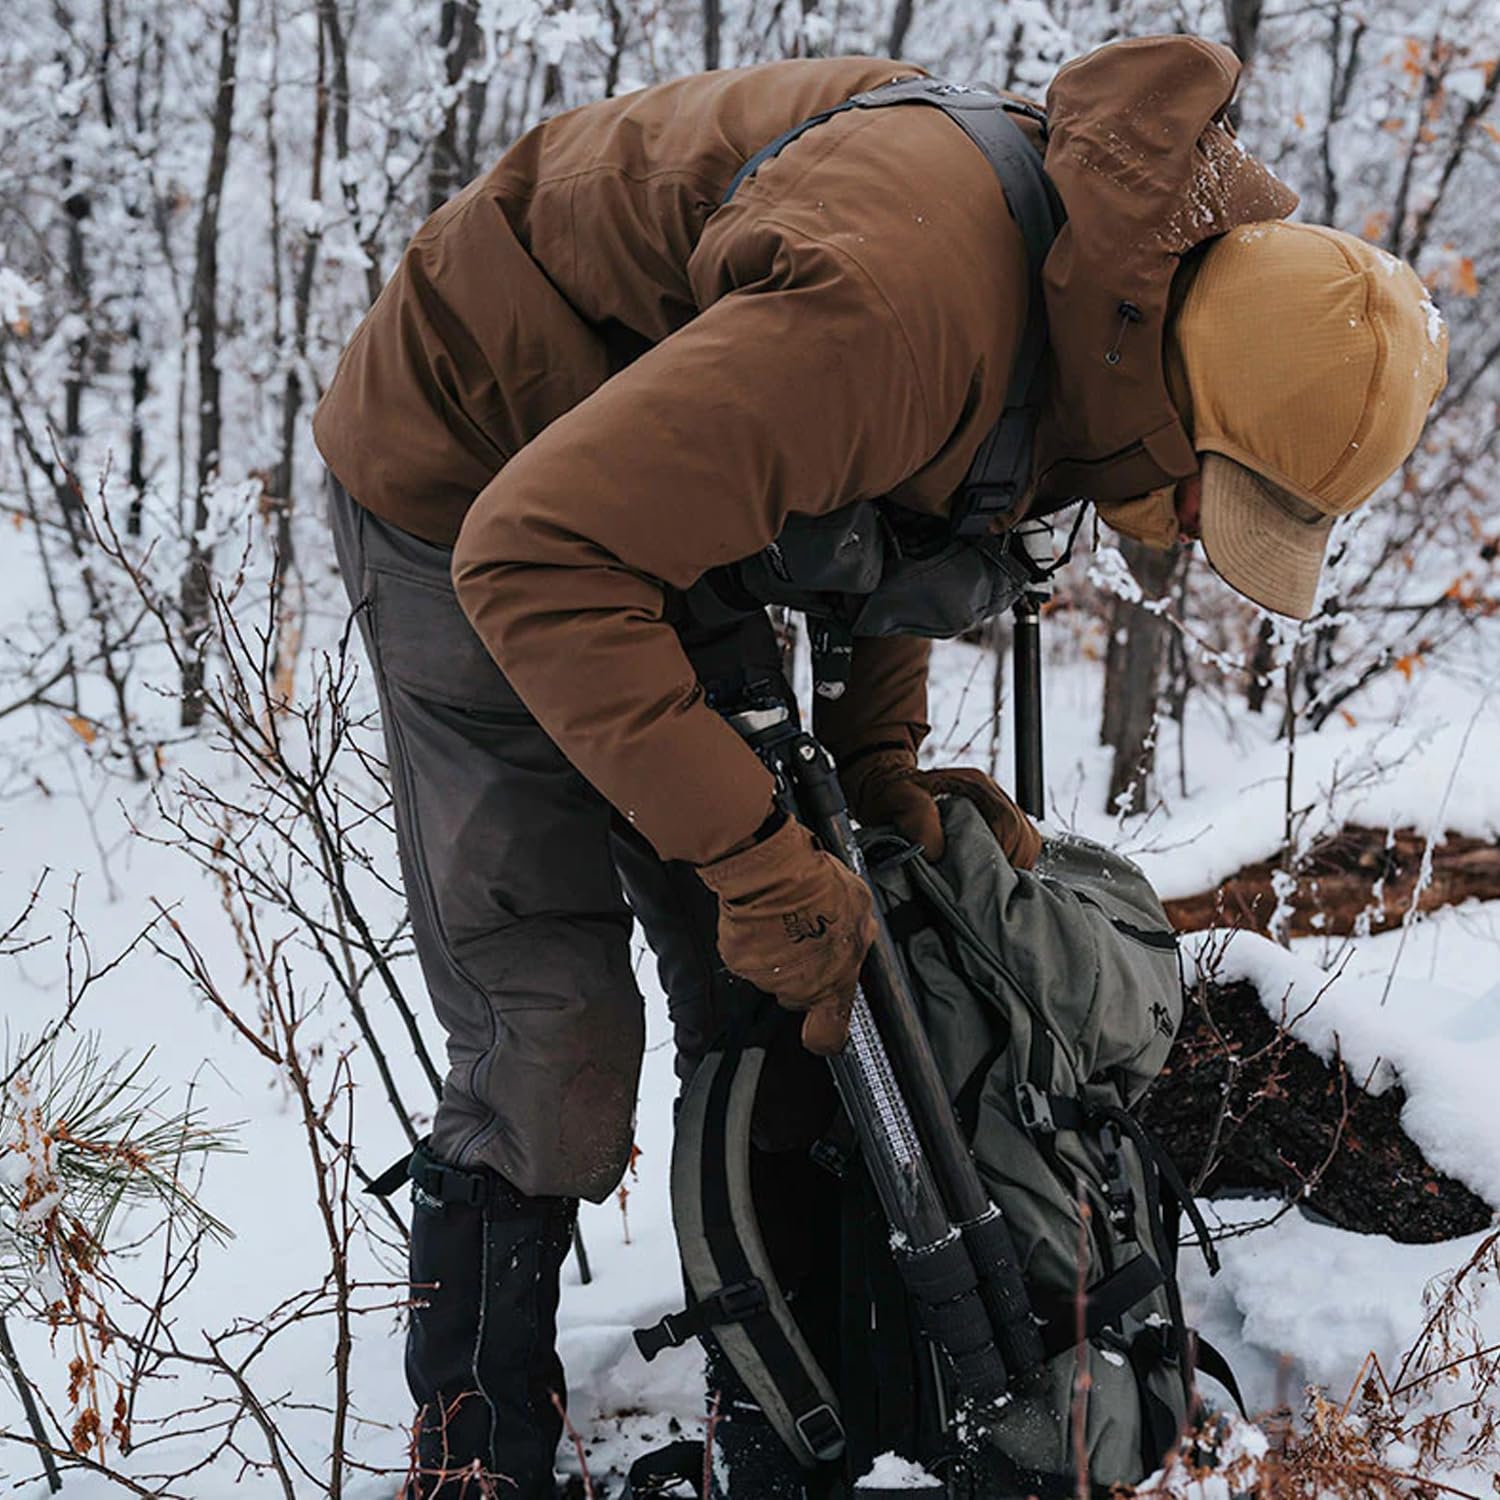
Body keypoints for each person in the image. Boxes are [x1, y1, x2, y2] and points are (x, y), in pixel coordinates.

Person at [313, 33, 1446, 1499]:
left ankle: (780, 1401)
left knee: (792, 976)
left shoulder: (1099, 302)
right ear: (1175, 385)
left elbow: (890, 515)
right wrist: (749, 852)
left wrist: (877, 778)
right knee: (553, 1034)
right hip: (477, 464)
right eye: (1201, 487)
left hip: (679, 459)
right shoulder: (904, 312)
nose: (1174, 522)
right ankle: (476, 1456)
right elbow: (541, 553)